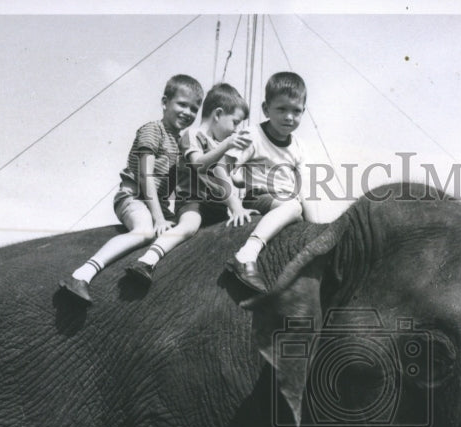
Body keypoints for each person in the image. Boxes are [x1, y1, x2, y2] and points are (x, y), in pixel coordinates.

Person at [60, 74, 204, 303]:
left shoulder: (180, 144)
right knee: (145, 230)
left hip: (158, 205)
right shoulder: (152, 130)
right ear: (165, 102)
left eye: (194, 109)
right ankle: (82, 274)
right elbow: (145, 176)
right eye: (182, 104)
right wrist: (158, 217)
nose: (188, 112)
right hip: (134, 197)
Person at [124, 82, 256, 286]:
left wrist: (245, 182)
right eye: (235, 122)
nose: (235, 130)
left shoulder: (216, 145)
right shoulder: (193, 135)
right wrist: (226, 146)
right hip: (193, 201)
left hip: (216, 206)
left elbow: (224, 176)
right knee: (189, 226)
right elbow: (199, 164)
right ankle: (148, 259)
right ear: (218, 114)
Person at [223, 71, 312, 293]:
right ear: (265, 109)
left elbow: (302, 189)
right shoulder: (253, 135)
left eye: (296, 111)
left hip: (287, 203)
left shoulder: (299, 146)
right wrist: (236, 197)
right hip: (260, 197)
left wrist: (314, 227)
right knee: (292, 206)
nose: (289, 117)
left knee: (298, 207)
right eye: (281, 109)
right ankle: (247, 253)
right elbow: (224, 168)